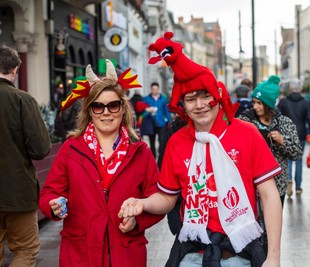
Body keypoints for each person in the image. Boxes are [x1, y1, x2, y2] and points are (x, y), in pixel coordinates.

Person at [119, 31, 283, 267]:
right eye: (190, 98)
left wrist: (274, 257)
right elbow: (167, 197)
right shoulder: (176, 141)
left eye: (205, 96)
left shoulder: (247, 133)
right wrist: (142, 203)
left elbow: (269, 195)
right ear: (182, 105)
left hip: (240, 254)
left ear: (217, 95)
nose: (200, 105)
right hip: (193, 254)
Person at [38, 59, 164, 267]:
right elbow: (49, 193)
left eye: (113, 105)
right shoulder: (71, 149)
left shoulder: (140, 152)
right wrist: (53, 205)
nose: (106, 112)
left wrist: (138, 221)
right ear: (89, 111)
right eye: (98, 106)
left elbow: (157, 199)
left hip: (125, 254)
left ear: (123, 109)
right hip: (80, 254)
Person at [0, 44, 51, 266]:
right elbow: (40, 149)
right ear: (15, 70)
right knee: (25, 250)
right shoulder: (23, 100)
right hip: (17, 190)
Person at [238, 75, 303, 250]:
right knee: (252, 228)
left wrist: (283, 141)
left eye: (259, 103)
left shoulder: (284, 123)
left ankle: (269, 256)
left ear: (268, 104)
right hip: (251, 184)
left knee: (271, 228)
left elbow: (297, 153)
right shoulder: (245, 121)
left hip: (278, 184)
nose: (255, 107)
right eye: (254, 102)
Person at [278, 78, 310, 196]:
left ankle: (289, 181)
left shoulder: (283, 102)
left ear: (290, 88)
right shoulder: (306, 102)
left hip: (286, 133)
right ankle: (298, 186)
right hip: (301, 134)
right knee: (298, 160)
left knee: (288, 159)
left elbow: (278, 118)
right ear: (300, 88)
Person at [143, 81, 172, 158]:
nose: (155, 91)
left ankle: (161, 157)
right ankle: (153, 158)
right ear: (151, 89)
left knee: (161, 141)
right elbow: (142, 109)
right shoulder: (146, 99)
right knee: (152, 142)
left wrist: (170, 121)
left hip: (161, 123)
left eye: (156, 89)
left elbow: (166, 110)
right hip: (151, 123)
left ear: (158, 89)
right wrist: (147, 110)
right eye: (153, 89)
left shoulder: (163, 99)